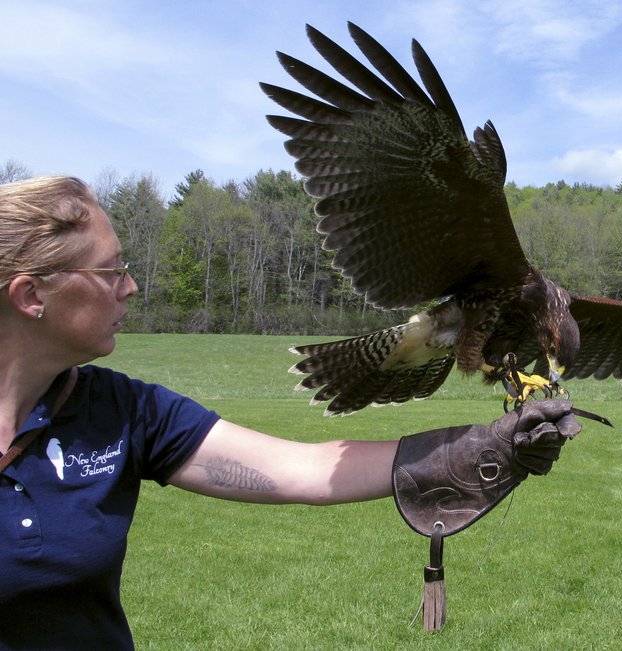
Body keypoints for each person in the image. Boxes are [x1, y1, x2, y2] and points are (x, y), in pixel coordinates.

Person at [0, 176, 581, 649]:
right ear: (31, 296)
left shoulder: (123, 411)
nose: (130, 287)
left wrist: (481, 449)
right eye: (110, 271)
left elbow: (299, 470)